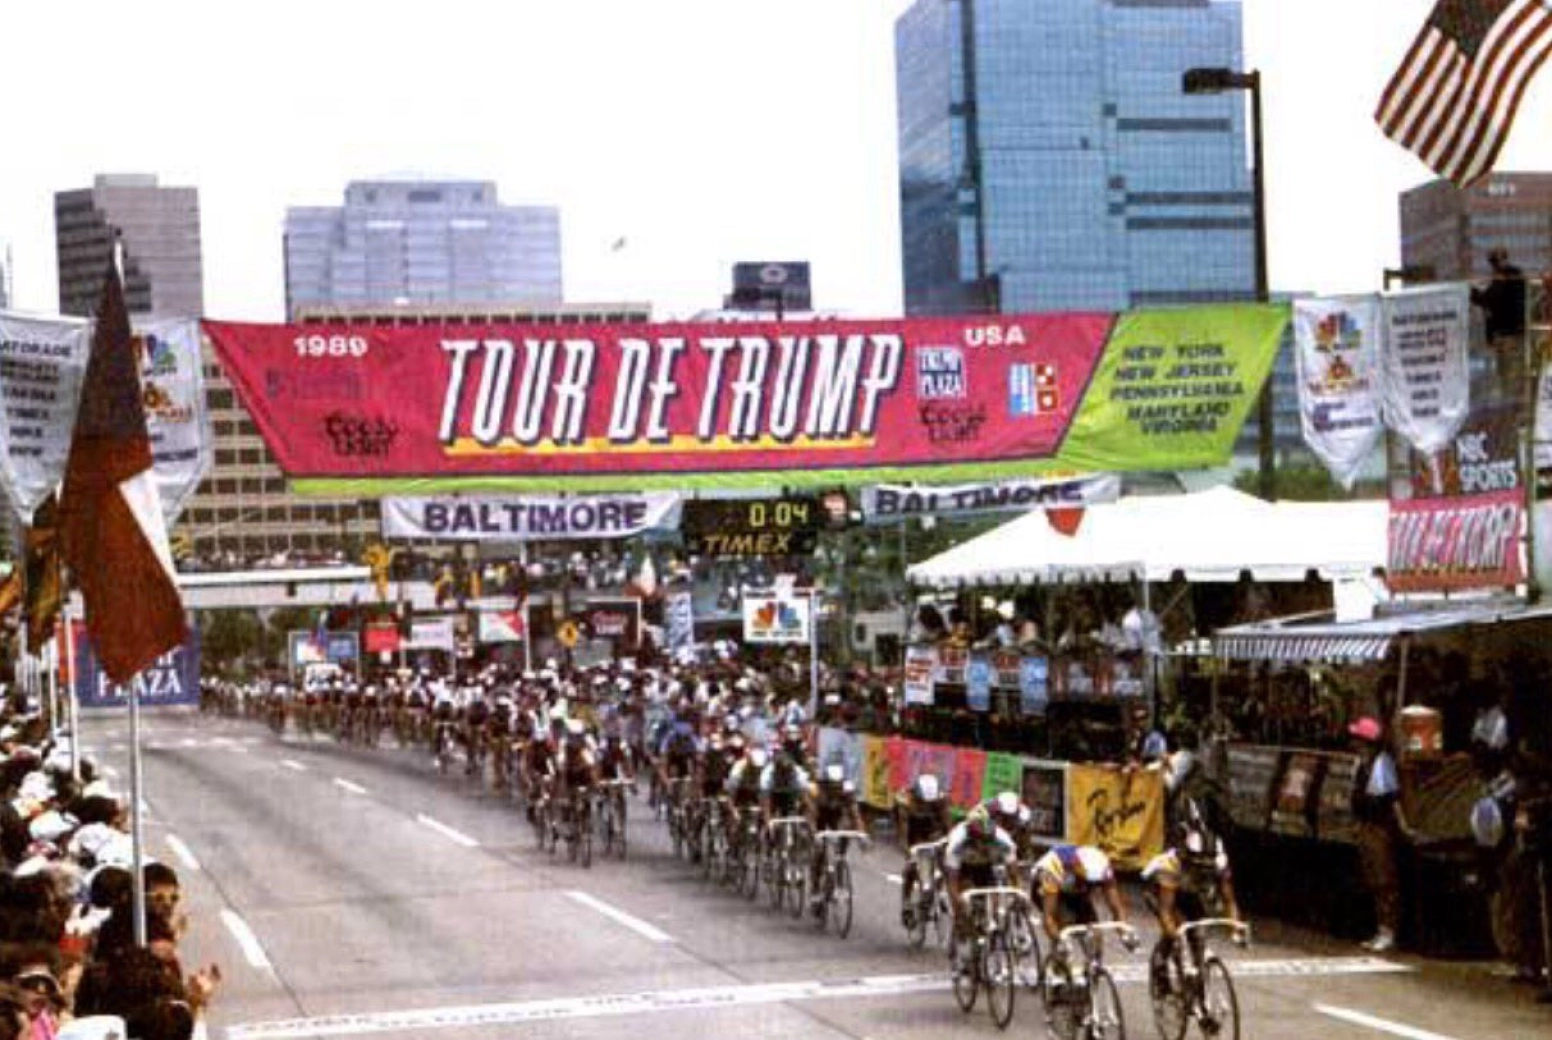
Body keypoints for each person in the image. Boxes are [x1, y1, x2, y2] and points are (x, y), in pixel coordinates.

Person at [1142, 808, 1241, 993]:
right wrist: (1174, 935)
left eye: (1207, 867)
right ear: (1187, 857)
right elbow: (1166, 910)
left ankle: (1199, 988)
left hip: (1189, 890)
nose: (1203, 870)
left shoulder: (1220, 863)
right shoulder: (1170, 866)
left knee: (1198, 932)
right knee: (1176, 927)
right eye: (1198, 865)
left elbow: (1230, 901)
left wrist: (1236, 929)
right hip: (1158, 889)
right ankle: (1161, 965)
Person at [1349, 715, 1412, 953]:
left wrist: (1404, 827)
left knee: (1385, 881)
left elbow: (1391, 799)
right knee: (1374, 880)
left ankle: (1389, 930)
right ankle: (1380, 928)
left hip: (1379, 829)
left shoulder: (1381, 763)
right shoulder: (1361, 764)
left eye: (1357, 739)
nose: (1353, 743)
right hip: (1365, 827)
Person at [943, 805, 1019, 961]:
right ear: (970, 836)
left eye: (987, 840)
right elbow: (952, 883)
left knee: (994, 902)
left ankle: (991, 933)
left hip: (986, 867)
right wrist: (958, 904)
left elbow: (1013, 874)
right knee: (963, 902)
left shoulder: (1003, 840)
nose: (982, 844)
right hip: (964, 868)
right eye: (978, 840)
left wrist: (1017, 893)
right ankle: (960, 931)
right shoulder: (957, 843)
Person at [1031, 843, 1133, 957]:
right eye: (1084, 881)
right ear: (1074, 870)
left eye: (1094, 884)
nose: (1089, 886)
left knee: (1095, 933)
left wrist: (1125, 934)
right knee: (1065, 922)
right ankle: (1058, 962)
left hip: (1074, 891)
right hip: (1047, 888)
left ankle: (1094, 967)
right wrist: (1060, 941)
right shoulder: (1053, 870)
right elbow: (1048, 917)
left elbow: (1116, 908)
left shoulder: (1104, 870)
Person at [806, 763, 866, 914]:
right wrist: (815, 835)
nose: (835, 790)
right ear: (826, 784)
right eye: (832, 787)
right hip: (819, 816)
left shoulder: (847, 790)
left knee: (842, 842)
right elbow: (811, 816)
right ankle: (814, 888)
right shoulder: (816, 791)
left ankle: (838, 879)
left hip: (836, 816)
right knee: (819, 851)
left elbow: (855, 814)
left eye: (838, 786)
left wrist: (861, 834)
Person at [895, 774, 952, 928]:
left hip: (932, 828)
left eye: (930, 803)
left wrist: (950, 843)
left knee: (944, 855)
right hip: (911, 830)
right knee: (913, 865)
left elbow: (947, 825)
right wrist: (908, 853)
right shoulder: (905, 800)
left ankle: (938, 890)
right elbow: (903, 832)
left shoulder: (942, 799)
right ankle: (906, 902)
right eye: (922, 802)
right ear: (916, 795)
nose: (926, 805)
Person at [1470, 247, 1527, 403]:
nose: (1494, 266)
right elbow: (1488, 300)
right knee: (1505, 374)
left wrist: (1472, 292)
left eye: (1495, 261)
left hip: (1510, 335)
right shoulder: (1503, 278)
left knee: (1511, 375)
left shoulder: (1510, 276)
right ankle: (1510, 405)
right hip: (1505, 335)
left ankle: (1514, 407)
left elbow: (1490, 299)